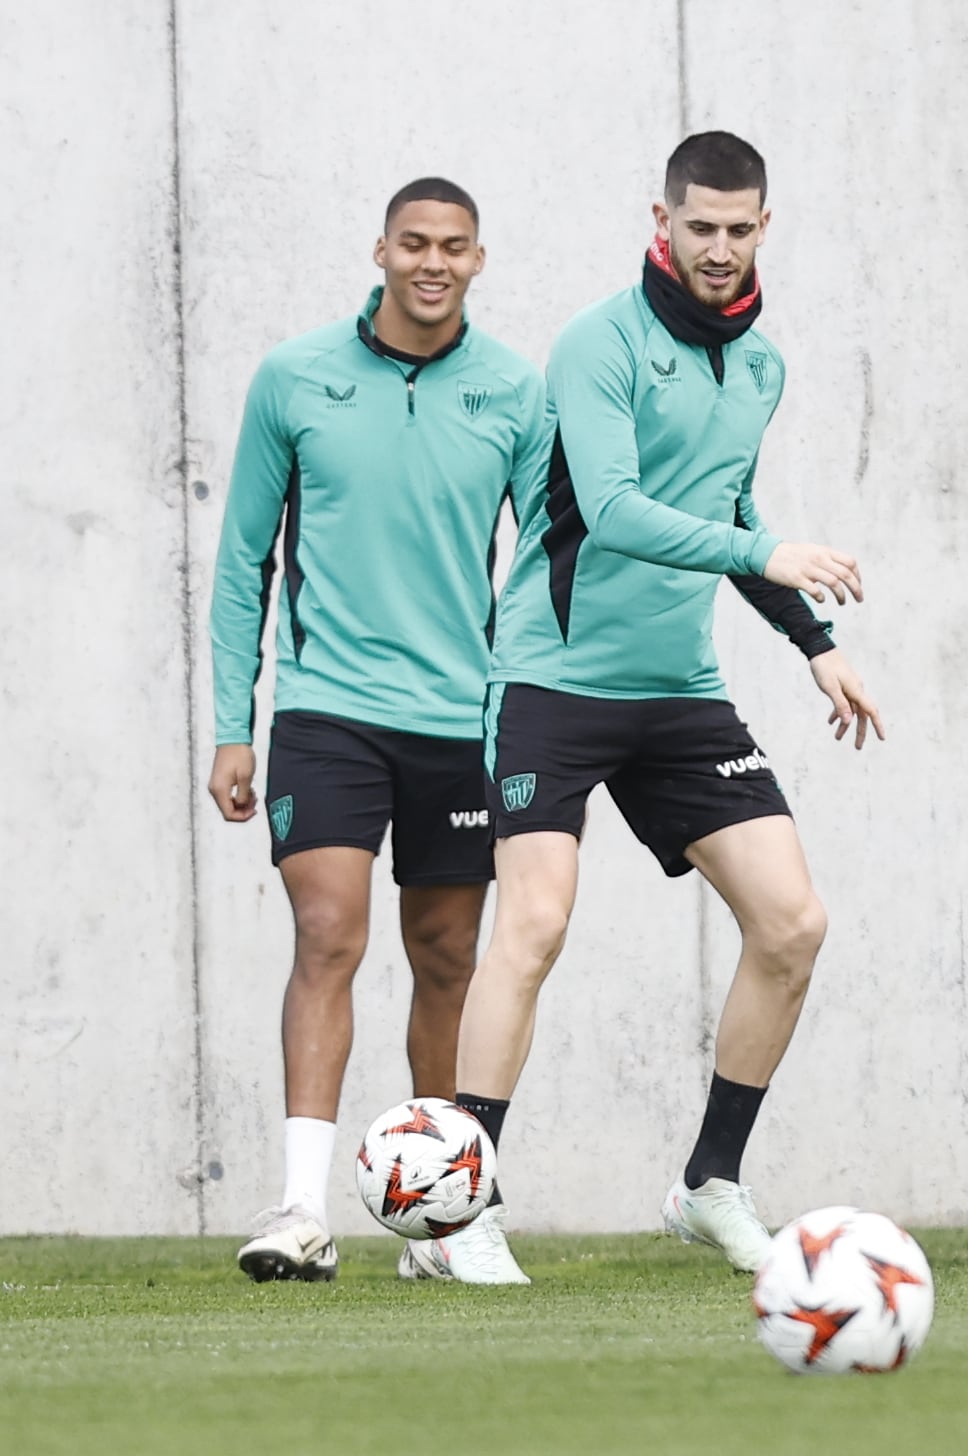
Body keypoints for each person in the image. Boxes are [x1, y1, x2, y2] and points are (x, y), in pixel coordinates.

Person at [410, 131, 882, 1285]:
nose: (718, 249)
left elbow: (722, 510)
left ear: (763, 228)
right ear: (659, 222)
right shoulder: (597, 345)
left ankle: (709, 1183)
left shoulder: (760, 367)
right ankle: (463, 1205)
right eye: (699, 227)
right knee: (534, 924)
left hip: (678, 691)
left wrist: (812, 644)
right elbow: (617, 511)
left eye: (739, 229)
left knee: (792, 924)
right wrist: (771, 551)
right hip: (553, 681)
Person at [207, 178, 545, 1281]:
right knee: (329, 931)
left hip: (460, 723)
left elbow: (548, 568)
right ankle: (301, 1210)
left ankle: (440, 1219)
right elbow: (242, 560)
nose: (432, 262)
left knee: (447, 954)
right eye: (414, 243)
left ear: (479, 259)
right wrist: (231, 725)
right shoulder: (295, 378)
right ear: (382, 250)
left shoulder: (513, 391)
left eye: (453, 246)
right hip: (325, 712)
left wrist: (536, 716)